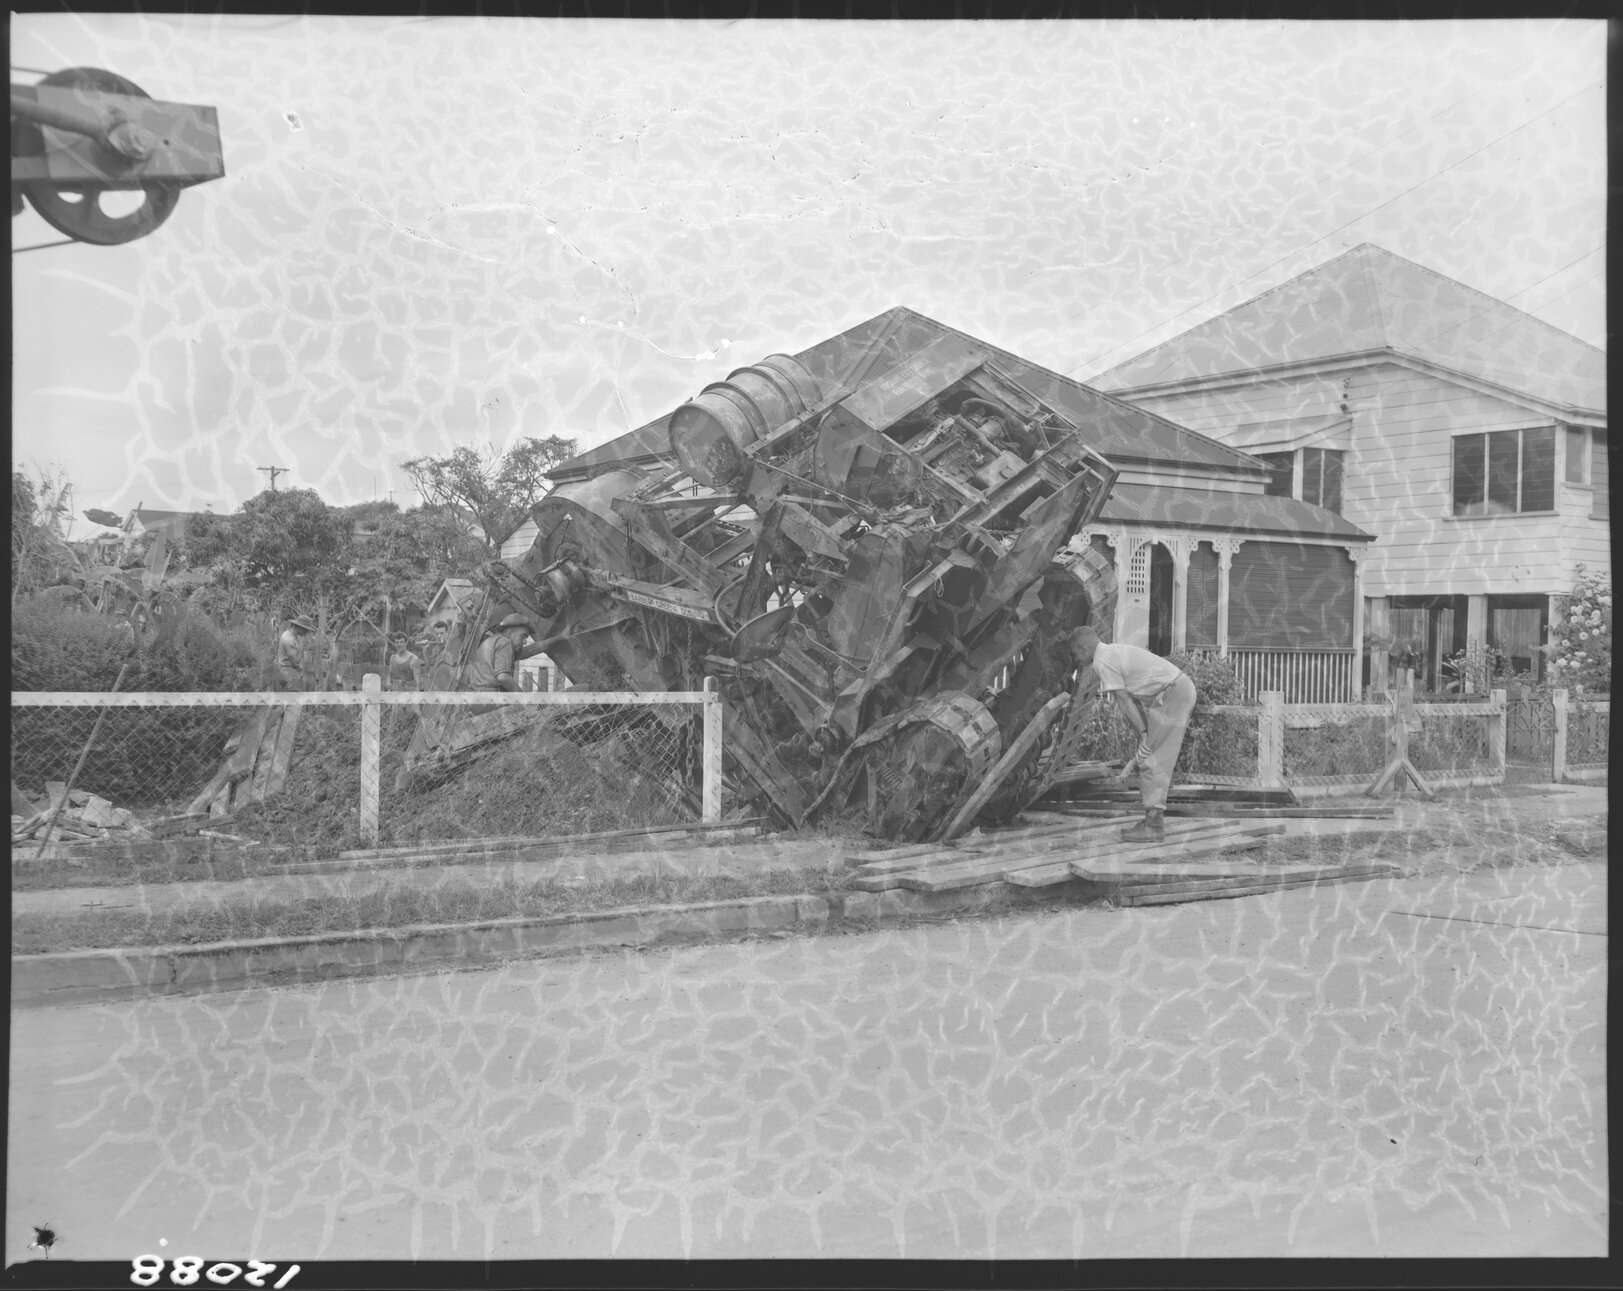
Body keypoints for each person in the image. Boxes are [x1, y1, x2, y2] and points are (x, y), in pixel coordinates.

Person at [1069, 626, 1197, 842]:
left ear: (1083, 647)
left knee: (1151, 759)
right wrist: (1143, 734)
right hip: (1176, 691)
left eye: (1075, 654)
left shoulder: (1102, 661)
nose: (1076, 661)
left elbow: (1124, 702)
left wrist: (1144, 733)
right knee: (1149, 754)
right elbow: (1133, 699)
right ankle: (1151, 821)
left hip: (1174, 693)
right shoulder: (1112, 652)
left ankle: (1154, 827)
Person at [465, 613, 535, 692]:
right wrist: (521, 695)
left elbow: (526, 652)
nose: (525, 642)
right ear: (509, 633)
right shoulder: (505, 643)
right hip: (492, 697)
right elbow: (503, 677)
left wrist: (545, 644)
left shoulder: (492, 641)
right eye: (523, 636)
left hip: (477, 695)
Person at [275, 615, 316, 691]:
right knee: (294, 697)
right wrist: (302, 644)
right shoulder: (288, 639)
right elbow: (295, 662)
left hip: (291, 671)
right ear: (300, 627)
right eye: (306, 630)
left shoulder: (293, 636)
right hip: (288, 672)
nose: (306, 633)